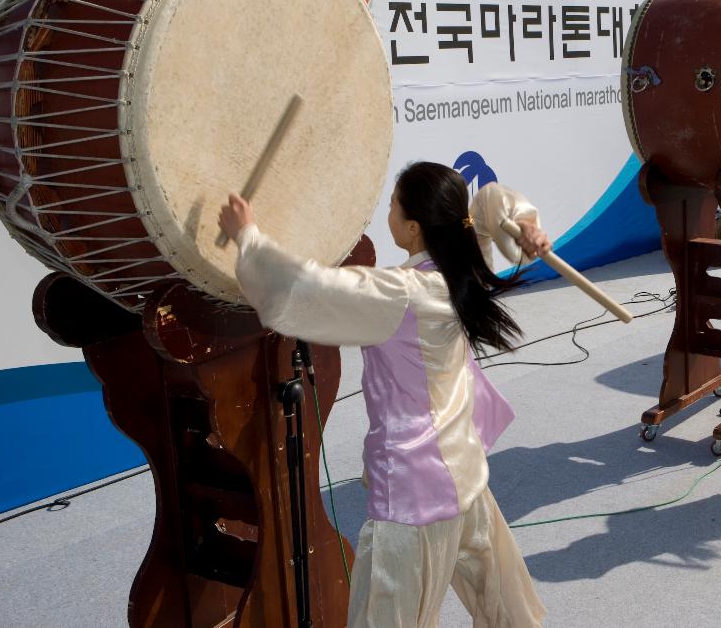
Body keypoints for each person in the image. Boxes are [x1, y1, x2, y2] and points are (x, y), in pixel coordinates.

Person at [218, 163, 548, 627]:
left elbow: (305, 289)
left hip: (413, 497)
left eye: (393, 206)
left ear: (413, 227)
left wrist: (247, 236)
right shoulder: (464, 264)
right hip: (468, 478)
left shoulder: (402, 294)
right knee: (506, 613)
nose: (387, 212)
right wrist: (528, 225)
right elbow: (492, 202)